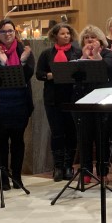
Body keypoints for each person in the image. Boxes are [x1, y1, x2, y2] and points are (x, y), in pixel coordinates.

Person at [0, 18, 35, 190]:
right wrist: (2, 62)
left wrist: (23, 61)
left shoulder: (23, 50)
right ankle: (3, 177)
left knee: (18, 141)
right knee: (1, 142)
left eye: (10, 31)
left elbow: (27, 75)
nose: (7, 34)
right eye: (3, 31)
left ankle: (17, 176)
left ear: (15, 32)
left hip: (19, 102)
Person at [35, 23, 81, 182]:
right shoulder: (47, 54)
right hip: (53, 99)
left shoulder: (77, 52)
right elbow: (38, 74)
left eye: (68, 33)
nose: (66, 36)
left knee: (71, 132)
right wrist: (50, 75)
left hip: (72, 97)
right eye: (62, 34)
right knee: (57, 133)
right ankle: (58, 166)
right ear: (55, 36)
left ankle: (69, 166)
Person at [75, 25, 112, 179]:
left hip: (102, 100)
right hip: (84, 101)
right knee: (85, 138)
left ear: (100, 39)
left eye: (93, 37)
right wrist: (84, 57)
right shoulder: (79, 54)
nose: (90, 40)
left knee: (102, 138)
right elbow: (74, 72)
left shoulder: (107, 54)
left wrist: (96, 55)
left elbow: (106, 68)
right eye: (87, 37)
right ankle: (86, 171)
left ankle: (102, 172)